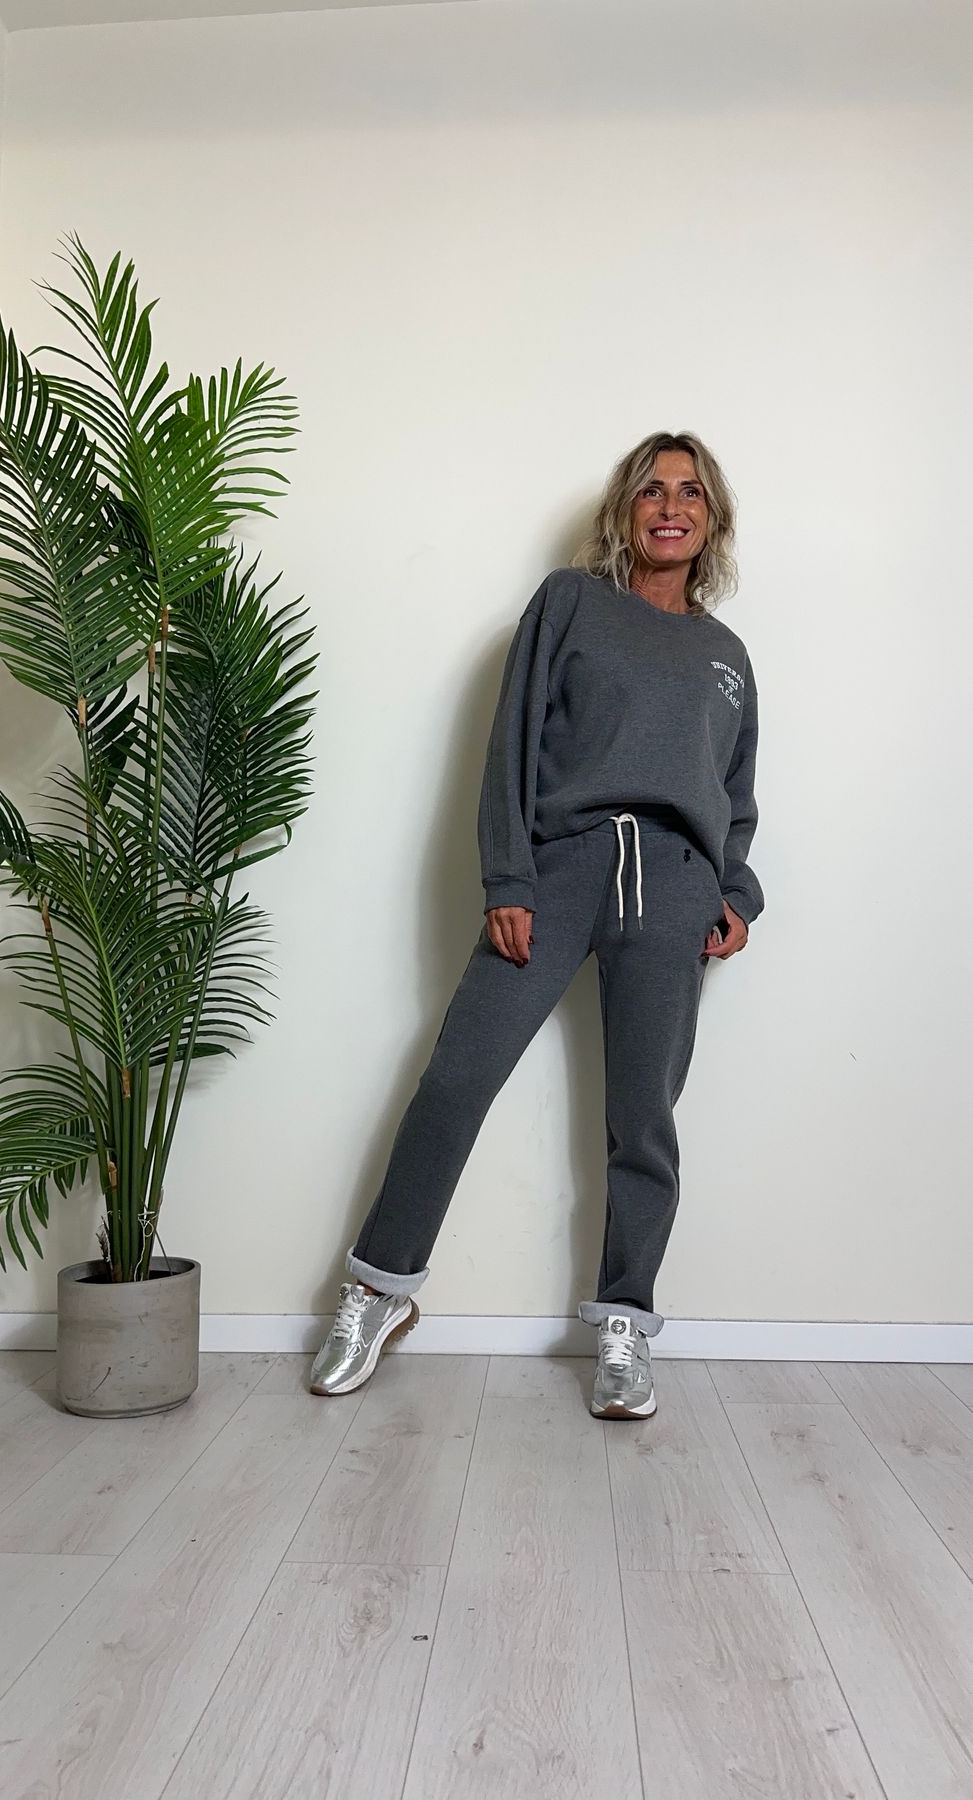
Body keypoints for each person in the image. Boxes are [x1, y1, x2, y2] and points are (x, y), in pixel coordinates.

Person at [310, 429, 764, 1418]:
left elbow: (733, 794)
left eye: (690, 492)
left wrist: (734, 892)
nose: (670, 506)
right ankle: (378, 1291)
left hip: (674, 885)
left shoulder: (725, 656)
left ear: (713, 520)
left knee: (642, 1119)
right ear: (624, 509)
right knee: (457, 1075)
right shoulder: (569, 603)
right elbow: (509, 743)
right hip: (559, 868)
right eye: (651, 489)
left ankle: (623, 1323)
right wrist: (507, 876)